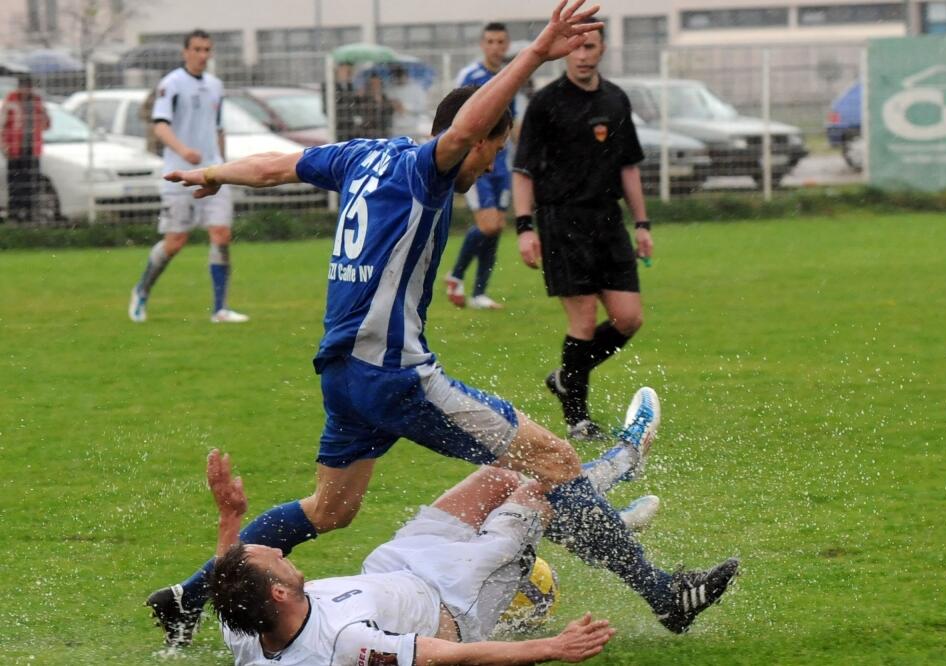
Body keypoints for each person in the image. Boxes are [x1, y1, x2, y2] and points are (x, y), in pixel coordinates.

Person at [145, 1, 737, 649]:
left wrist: (210, 173)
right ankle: (665, 595)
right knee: (555, 458)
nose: (488, 165)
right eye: (495, 150)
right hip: (393, 375)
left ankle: (188, 597)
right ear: (477, 140)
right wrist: (537, 52)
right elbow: (464, 131)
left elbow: (269, 168)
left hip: (340, 375)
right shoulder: (426, 170)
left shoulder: (359, 156)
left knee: (330, 510)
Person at [206, 449, 623, 665]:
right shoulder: (343, 646)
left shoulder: (245, 627)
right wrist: (554, 646)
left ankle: (587, 522)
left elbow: (225, 580)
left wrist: (230, 517)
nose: (279, 549)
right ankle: (624, 460)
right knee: (537, 489)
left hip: (396, 564)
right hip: (457, 594)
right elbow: (454, 657)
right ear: (278, 593)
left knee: (501, 475)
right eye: (272, 557)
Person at [512, 20, 653, 441]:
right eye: (575, 47)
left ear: (602, 48)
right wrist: (524, 227)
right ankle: (577, 418)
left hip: (608, 220)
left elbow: (628, 166)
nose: (582, 54)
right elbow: (522, 171)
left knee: (628, 318)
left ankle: (566, 376)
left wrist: (642, 223)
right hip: (561, 221)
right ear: (565, 52)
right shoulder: (545, 103)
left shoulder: (616, 99)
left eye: (590, 45)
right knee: (585, 319)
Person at [127, 29, 248, 324]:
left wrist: (223, 168)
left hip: (211, 172)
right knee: (175, 242)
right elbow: (160, 126)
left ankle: (220, 309)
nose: (203, 55)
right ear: (185, 52)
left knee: (221, 235)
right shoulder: (171, 84)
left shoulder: (216, 86)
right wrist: (184, 150)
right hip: (178, 174)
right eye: (197, 49)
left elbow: (218, 129)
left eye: (207, 49)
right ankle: (141, 290)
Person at [443, 21, 514, 310]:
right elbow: (454, 115)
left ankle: (481, 292)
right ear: (483, 45)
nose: (496, 47)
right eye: (491, 42)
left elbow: (513, 121)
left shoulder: (511, 76)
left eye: (501, 42)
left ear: (507, 45)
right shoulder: (470, 76)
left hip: (503, 164)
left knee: (496, 226)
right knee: (487, 224)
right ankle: (456, 275)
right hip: (477, 161)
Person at [1, 75, 50, 223]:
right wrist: (4, 146)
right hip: (15, 149)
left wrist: (44, 112)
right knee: (16, 184)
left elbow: (46, 125)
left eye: (28, 87)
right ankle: (15, 214)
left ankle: (29, 214)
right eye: (23, 86)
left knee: (32, 183)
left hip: (32, 149)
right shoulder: (11, 100)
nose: (26, 90)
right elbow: (2, 125)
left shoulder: (36, 102)